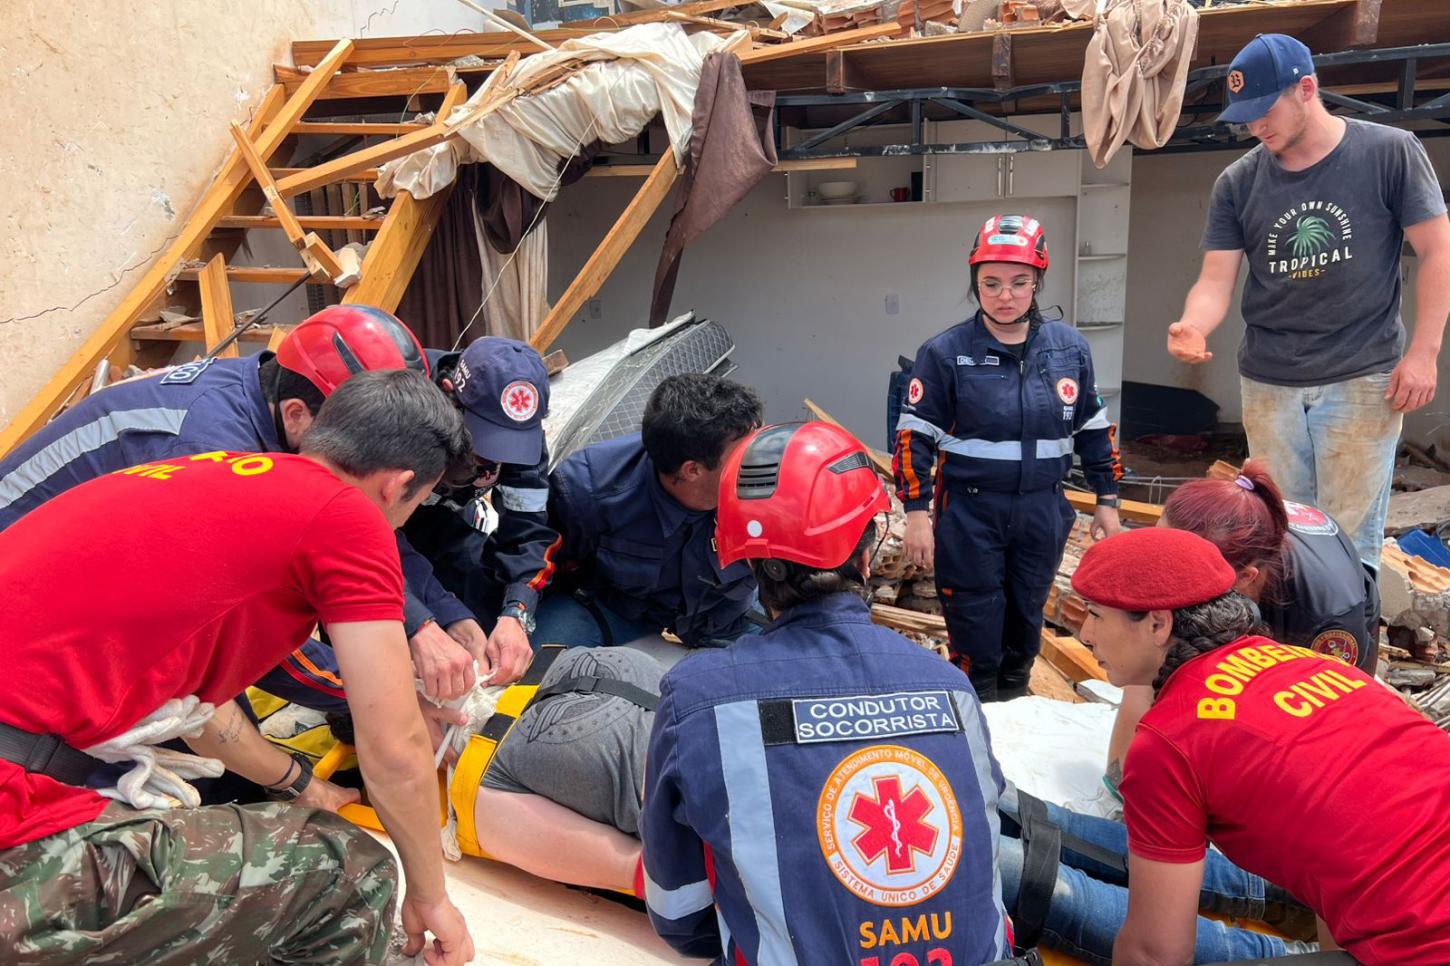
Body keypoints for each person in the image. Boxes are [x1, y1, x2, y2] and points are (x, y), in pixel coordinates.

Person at [0, 370, 476, 965]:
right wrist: (432, 897)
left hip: (23, 762)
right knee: (347, 868)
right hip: (12, 830)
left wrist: (300, 783)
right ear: (398, 485)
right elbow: (397, 747)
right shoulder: (346, 517)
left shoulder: (203, 474)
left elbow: (200, 716)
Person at [457, 645, 1313, 965]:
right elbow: (645, 870)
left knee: (1044, 862)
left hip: (817, 800)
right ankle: (1287, 914)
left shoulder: (516, 724)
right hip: (859, 775)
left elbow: (656, 884)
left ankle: (1284, 923)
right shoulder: (537, 708)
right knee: (1043, 854)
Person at [642, 420, 1012, 963]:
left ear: (744, 560)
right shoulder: (951, 686)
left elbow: (679, 915)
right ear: (868, 551)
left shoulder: (698, 698)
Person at [0, 304, 489, 710]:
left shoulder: (284, 408)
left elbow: (370, 519)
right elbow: (242, 639)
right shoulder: (210, 452)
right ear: (300, 416)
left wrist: (437, 617)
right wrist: (389, 690)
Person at [1072, 527, 1450, 965]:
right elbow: (1334, 854)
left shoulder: (1170, 742)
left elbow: (1155, 953)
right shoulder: (1308, 662)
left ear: (1158, 623)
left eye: (1096, 615)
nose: (1084, 633)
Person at [1165, 33, 1450, 571]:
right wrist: (1193, 325)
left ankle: (1344, 650)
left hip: (1363, 376)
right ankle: (1291, 649)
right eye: (1245, 118)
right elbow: (1215, 280)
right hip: (1269, 381)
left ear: (1307, 88)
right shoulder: (1238, 181)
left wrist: (1423, 353)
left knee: (1349, 541)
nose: (1255, 128)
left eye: (1264, 111)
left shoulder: (1388, 152)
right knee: (1282, 531)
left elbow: (1438, 250)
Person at [894, 213, 1123, 701]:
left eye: (1019, 282)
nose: (1005, 295)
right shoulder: (945, 353)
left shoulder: (1069, 349)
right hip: (970, 513)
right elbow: (915, 436)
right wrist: (916, 513)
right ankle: (978, 716)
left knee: (1025, 619)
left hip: (1042, 510)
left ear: (1038, 280)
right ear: (975, 283)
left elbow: (1092, 425)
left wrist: (1107, 496)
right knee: (977, 626)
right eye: (991, 283)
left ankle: (1017, 703)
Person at [1106, 458, 1381, 792]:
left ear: (1244, 577)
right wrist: (1121, 784)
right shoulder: (1203, 547)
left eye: (1181, 576)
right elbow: (1149, 672)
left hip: (1313, 618)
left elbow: (1328, 721)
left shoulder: (1328, 616)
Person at [537, 373, 762, 649]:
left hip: (727, 616)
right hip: (615, 614)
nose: (758, 459)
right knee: (532, 668)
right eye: (744, 454)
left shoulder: (774, 480)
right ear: (692, 470)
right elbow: (536, 565)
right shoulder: (588, 490)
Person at [403, 337, 563, 686]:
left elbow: (529, 529)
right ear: (449, 395)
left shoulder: (522, 429)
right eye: (486, 442)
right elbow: (360, 539)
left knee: (481, 630)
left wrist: (517, 613)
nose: (495, 459)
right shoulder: (402, 408)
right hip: (381, 534)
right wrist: (420, 622)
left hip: (448, 527)